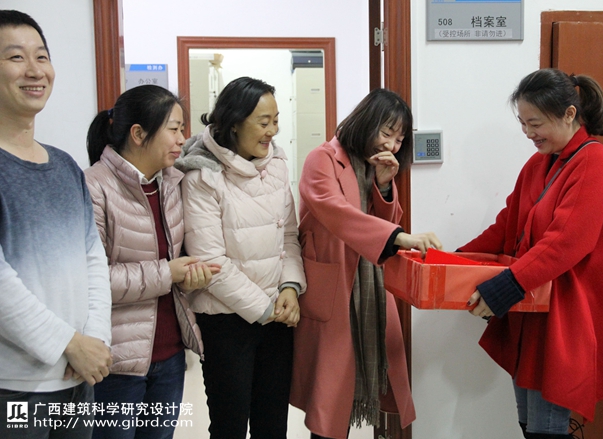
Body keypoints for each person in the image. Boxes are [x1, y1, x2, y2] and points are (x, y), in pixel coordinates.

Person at [458, 68, 603, 438]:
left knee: (547, 429)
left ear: (569, 114)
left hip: (566, 316)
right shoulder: (539, 164)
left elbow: (565, 243)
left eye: (535, 123)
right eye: (523, 123)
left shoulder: (595, 162)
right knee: (530, 425)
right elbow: (507, 226)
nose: (528, 133)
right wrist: (455, 260)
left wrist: (505, 287)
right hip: (533, 310)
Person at [290, 88, 443, 439]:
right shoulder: (322, 158)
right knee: (329, 398)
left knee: (350, 384)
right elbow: (336, 213)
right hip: (333, 288)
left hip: (368, 286)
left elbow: (384, 221)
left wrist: (384, 186)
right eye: (387, 133)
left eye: (400, 139)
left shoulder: (374, 165)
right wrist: (400, 238)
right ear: (366, 122)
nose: (392, 145)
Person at [0, 10, 113, 438]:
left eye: (42, 56)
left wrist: (94, 341)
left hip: (78, 376)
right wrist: (70, 343)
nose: (34, 70)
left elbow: (93, 258)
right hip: (14, 384)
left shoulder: (65, 165)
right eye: (16, 57)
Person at [84, 84, 219, 439]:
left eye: (182, 128)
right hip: (115, 362)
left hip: (170, 356)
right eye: (173, 129)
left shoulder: (173, 183)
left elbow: (176, 257)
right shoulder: (94, 186)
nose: (182, 138)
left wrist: (189, 274)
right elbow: (91, 280)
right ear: (138, 134)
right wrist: (167, 273)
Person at [176, 76, 307, 439]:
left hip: (277, 317)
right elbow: (211, 262)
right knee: (229, 426)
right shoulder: (201, 175)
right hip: (226, 323)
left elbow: (289, 236)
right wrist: (265, 309)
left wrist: (290, 287)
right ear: (234, 123)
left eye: (275, 121)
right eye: (263, 122)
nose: (272, 131)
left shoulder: (276, 164)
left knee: (272, 425)